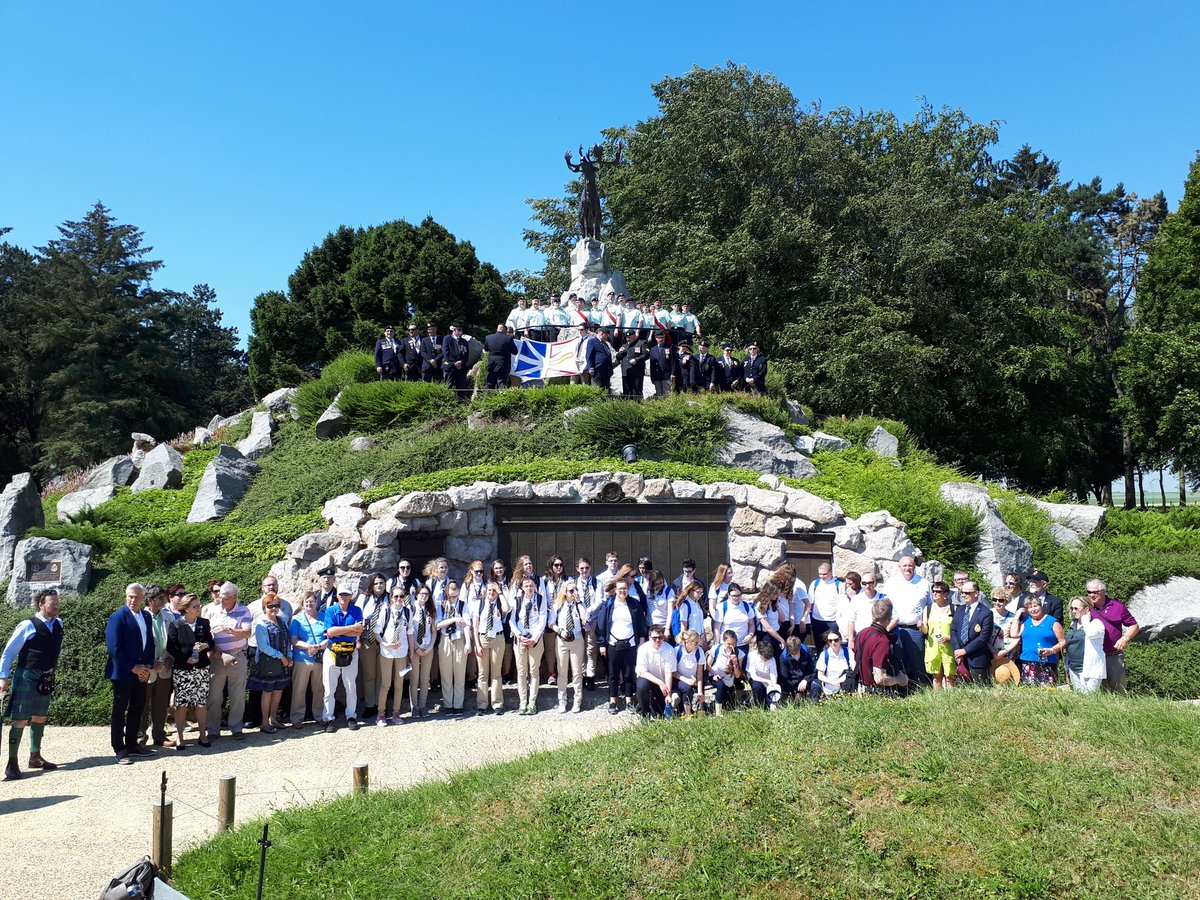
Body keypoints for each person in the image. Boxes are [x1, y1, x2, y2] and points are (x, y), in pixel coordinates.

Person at [1, 589, 63, 779]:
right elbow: (9, 653)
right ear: (41, 605)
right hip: (26, 675)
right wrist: (3, 677)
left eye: (57, 603)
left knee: (40, 717)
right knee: (20, 719)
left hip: (46, 676)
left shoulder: (59, 624)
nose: (56, 607)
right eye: (52, 604)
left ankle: (35, 757)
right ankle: (12, 763)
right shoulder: (28, 625)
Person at [106, 583, 156, 765]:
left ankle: (133, 743)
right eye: (130, 596)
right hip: (122, 672)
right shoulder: (118, 617)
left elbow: (150, 642)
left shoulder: (146, 616)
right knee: (120, 710)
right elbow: (114, 648)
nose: (133, 600)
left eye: (136, 597)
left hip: (141, 671)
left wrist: (147, 666)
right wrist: (132, 667)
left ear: (143, 598)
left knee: (138, 707)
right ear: (126, 596)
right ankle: (119, 748)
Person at [204, 581, 252, 742]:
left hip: (237, 657)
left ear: (234, 597)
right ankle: (212, 729)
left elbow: (247, 633)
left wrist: (228, 629)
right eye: (220, 597)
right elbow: (205, 635)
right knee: (214, 695)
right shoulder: (212, 611)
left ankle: (236, 728)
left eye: (225, 598)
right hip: (217, 658)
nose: (221, 600)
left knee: (237, 695)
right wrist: (215, 652)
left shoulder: (244, 610)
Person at [166, 592, 213, 749]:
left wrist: (206, 645)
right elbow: (171, 647)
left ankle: (202, 735)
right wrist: (184, 658)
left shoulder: (204, 623)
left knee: (201, 703)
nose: (199, 608)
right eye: (195, 606)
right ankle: (180, 737)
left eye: (199, 605)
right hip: (183, 670)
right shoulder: (176, 625)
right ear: (186, 608)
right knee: (182, 704)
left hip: (201, 669)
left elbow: (211, 642)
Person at [595, 579, 649, 715]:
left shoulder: (634, 604)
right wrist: (602, 644)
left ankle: (629, 701)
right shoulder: (609, 604)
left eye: (625, 588)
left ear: (628, 589)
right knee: (613, 674)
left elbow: (641, 625)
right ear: (615, 590)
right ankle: (613, 701)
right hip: (613, 644)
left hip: (631, 644)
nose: (622, 591)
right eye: (619, 589)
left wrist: (641, 642)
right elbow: (601, 625)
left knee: (629, 673)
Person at [882, 556, 931, 687]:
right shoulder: (891, 583)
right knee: (898, 659)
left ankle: (920, 688)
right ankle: (901, 689)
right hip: (895, 628)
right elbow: (885, 605)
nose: (907, 568)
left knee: (917, 660)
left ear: (914, 567)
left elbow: (929, 605)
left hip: (915, 628)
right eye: (904, 566)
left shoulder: (924, 583)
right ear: (899, 567)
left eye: (910, 566)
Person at [138, 584, 178, 748]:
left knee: (161, 703)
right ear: (150, 600)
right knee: (142, 703)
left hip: (165, 665)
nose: (165, 601)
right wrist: (149, 662)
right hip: (147, 666)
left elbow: (174, 640)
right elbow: (137, 643)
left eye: (164, 597)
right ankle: (139, 736)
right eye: (161, 598)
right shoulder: (141, 616)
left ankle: (159, 735)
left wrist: (170, 659)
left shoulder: (168, 616)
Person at [322, 585, 364, 732]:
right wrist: (350, 628)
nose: (343, 597)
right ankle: (328, 718)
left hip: (350, 652)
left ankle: (351, 716)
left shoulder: (357, 610)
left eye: (346, 594)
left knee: (351, 687)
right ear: (337, 595)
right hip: (332, 652)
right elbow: (330, 632)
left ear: (350, 596)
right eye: (341, 594)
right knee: (329, 688)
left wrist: (339, 631)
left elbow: (358, 632)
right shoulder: (330, 610)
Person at [248, 593, 292, 733]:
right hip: (269, 663)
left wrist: (289, 655)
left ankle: (273, 718)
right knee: (267, 692)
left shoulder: (282, 621)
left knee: (278, 690)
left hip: (283, 662)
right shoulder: (261, 624)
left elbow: (287, 641)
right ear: (264, 608)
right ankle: (264, 722)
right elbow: (263, 646)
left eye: (276, 605)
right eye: (270, 606)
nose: (274, 608)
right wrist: (281, 656)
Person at [1087, 579, 1139, 693]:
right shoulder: (1086, 608)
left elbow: (1134, 626)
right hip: (1095, 657)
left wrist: (1125, 638)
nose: (1091, 595)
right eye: (1089, 592)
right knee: (1099, 692)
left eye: (1095, 592)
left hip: (1113, 655)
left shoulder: (1117, 606)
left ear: (1104, 591)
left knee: (1119, 690)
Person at [288, 591, 328, 728]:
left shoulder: (323, 617)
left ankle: (319, 715)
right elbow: (293, 640)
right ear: (303, 604)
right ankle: (297, 718)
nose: (310, 604)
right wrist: (309, 647)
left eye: (312, 601)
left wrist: (319, 646)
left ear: (316, 603)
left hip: (319, 658)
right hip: (302, 659)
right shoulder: (297, 619)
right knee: (299, 689)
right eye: (307, 602)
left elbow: (329, 636)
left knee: (319, 690)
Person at [855, 598, 911, 694]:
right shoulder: (882, 641)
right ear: (889, 619)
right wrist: (899, 680)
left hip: (860, 688)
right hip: (876, 694)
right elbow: (879, 679)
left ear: (873, 616)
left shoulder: (861, 633)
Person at [510, 575, 547, 715]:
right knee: (521, 671)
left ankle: (532, 702)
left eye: (531, 586)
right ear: (522, 588)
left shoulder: (540, 600)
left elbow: (542, 620)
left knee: (534, 671)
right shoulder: (517, 601)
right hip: (520, 639)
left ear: (535, 587)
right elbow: (512, 621)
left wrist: (535, 638)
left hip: (535, 640)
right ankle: (522, 701)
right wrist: (518, 635)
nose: (529, 588)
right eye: (526, 586)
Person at [472, 580, 509, 715]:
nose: (492, 593)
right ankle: (481, 704)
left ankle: (497, 704)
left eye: (494, 590)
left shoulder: (499, 602)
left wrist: (500, 593)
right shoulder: (480, 604)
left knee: (496, 673)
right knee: (482, 673)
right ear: (485, 591)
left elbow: (506, 609)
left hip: (498, 638)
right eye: (490, 590)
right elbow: (475, 626)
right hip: (483, 638)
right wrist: (477, 644)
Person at [375, 587, 412, 724]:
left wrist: (411, 653)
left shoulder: (407, 612)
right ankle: (381, 713)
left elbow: (410, 633)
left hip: (402, 652)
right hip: (387, 652)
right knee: (385, 684)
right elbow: (377, 632)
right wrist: (385, 644)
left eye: (401, 596)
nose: (398, 599)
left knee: (399, 684)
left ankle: (396, 712)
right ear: (391, 597)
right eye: (396, 596)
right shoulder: (386, 612)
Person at [549, 583, 587, 713]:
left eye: (576, 589)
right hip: (562, 640)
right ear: (565, 592)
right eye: (571, 590)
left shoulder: (578, 604)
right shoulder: (558, 605)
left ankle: (577, 699)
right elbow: (551, 622)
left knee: (577, 672)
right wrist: (559, 631)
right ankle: (562, 699)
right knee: (562, 671)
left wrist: (579, 601)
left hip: (576, 639)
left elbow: (585, 618)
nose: (574, 592)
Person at [355, 572, 388, 720]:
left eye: (381, 583)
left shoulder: (390, 598)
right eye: (376, 583)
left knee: (382, 675)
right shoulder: (364, 598)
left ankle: (381, 705)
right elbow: (357, 618)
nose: (379, 586)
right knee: (369, 674)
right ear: (372, 585)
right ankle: (370, 704)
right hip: (367, 641)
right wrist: (357, 639)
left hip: (384, 642)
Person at [1013, 594, 1065, 686]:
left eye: (1035, 606)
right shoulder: (1025, 621)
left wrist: (1052, 650)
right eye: (1030, 607)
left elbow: (1063, 641)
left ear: (1041, 606)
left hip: (1047, 663)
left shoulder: (1052, 622)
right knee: (1030, 694)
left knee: (1047, 693)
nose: (1033, 609)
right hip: (1028, 663)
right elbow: (1014, 634)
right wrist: (1017, 616)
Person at [435, 580, 469, 715]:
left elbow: (466, 623)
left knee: (460, 673)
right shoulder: (442, 606)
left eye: (455, 592)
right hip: (445, 639)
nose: (453, 596)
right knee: (446, 674)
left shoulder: (463, 605)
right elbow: (437, 625)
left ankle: (458, 705)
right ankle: (448, 704)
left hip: (459, 638)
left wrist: (468, 643)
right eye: (451, 592)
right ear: (447, 592)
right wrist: (454, 619)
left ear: (459, 591)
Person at [950, 580, 993, 683]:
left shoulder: (986, 613)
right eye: (962, 592)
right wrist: (957, 650)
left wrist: (965, 650)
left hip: (977, 659)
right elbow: (953, 630)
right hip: (960, 659)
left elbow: (983, 637)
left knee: (980, 691)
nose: (964, 595)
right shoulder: (960, 610)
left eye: (967, 593)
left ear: (976, 593)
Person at [1064, 595, 1107, 694]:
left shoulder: (1096, 623)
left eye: (1076, 608)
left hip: (1090, 669)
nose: (1073, 611)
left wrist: (1085, 619)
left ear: (1087, 608)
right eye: (1072, 608)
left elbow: (1091, 633)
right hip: (1074, 667)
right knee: (1079, 699)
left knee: (1088, 699)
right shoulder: (1073, 624)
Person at [634, 625, 676, 718]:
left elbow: (669, 673)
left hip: (662, 682)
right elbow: (642, 672)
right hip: (647, 679)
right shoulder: (643, 649)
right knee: (641, 687)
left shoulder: (669, 649)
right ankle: (644, 714)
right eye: (655, 638)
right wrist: (660, 682)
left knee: (659, 713)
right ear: (649, 638)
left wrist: (668, 694)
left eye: (660, 637)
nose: (658, 640)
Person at [408, 586, 437, 718]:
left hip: (427, 647)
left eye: (427, 594)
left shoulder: (430, 610)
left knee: (425, 678)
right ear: (416, 594)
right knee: (414, 678)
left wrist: (430, 646)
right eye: (422, 594)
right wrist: (415, 648)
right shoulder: (410, 609)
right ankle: (414, 706)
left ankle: (423, 705)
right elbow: (409, 631)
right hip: (415, 648)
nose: (424, 596)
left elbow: (434, 630)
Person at [921, 580, 956, 690]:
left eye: (938, 591)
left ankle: (951, 700)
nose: (935, 593)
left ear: (945, 593)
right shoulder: (928, 608)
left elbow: (958, 630)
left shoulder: (953, 608)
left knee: (950, 676)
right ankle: (937, 700)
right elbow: (925, 631)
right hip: (933, 646)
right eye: (933, 591)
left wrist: (949, 637)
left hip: (948, 645)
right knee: (936, 676)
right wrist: (921, 626)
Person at [707, 629, 746, 716]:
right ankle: (718, 713)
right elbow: (707, 665)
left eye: (733, 643)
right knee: (720, 685)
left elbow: (737, 675)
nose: (731, 646)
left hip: (729, 680)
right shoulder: (716, 648)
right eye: (728, 644)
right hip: (714, 675)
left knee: (727, 702)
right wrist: (714, 674)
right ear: (723, 641)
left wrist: (736, 663)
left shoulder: (740, 654)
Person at [806, 563, 844, 650]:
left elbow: (842, 605)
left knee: (833, 646)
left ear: (831, 572)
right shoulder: (815, 583)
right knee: (819, 646)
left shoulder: (838, 585)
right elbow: (810, 603)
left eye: (824, 574)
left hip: (832, 622)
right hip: (817, 621)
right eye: (820, 574)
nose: (822, 576)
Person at [988, 588, 1021, 685]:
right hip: (990, 651)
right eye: (994, 600)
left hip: (1007, 652)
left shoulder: (1013, 617)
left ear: (1007, 601)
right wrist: (993, 651)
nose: (997, 603)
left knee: (1006, 677)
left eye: (1001, 600)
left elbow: (1016, 637)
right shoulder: (987, 614)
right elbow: (982, 635)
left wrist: (1004, 651)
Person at [845, 572, 883, 652]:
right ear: (861, 584)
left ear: (875, 583)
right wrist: (851, 640)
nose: (867, 586)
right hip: (861, 638)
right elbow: (851, 621)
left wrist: (885, 632)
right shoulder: (856, 600)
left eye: (870, 583)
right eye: (864, 583)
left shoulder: (883, 598)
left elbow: (894, 618)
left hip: (878, 639)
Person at [713, 583, 757, 649]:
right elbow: (717, 628)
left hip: (743, 644)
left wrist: (750, 635)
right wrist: (716, 645)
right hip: (727, 645)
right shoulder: (722, 607)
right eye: (734, 595)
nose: (736, 598)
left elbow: (751, 624)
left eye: (738, 595)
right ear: (728, 595)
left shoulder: (746, 606)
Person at [673, 630, 705, 715]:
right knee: (687, 688)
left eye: (698, 642)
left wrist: (700, 692)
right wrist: (686, 680)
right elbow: (672, 672)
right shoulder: (677, 651)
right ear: (687, 641)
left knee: (698, 689)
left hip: (694, 679)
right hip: (678, 678)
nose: (697, 645)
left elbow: (700, 674)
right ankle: (687, 712)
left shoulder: (699, 651)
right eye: (695, 643)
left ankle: (696, 708)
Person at [778, 635, 818, 702]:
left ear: (800, 648)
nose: (793, 655)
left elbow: (814, 670)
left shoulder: (808, 652)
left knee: (816, 684)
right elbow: (785, 676)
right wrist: (795, 689)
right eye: (791, 653)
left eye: (796, 653)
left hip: (807, 680)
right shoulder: (783, 656)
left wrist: (806, 680)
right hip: (793, 684)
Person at [815, 633, 856, 697]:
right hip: (830, 691)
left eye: (836, 640)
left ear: (840, 640)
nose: (833, 643)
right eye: (830, 641)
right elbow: (820, 675)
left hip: (846, 689)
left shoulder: (848, 651)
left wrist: (844, 678)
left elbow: (854, 668)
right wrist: (833, 683)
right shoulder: (824, 654)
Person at [747, 639, 782, 709]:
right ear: (759, 653)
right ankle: (758, 707)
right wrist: (767, 681)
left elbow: (773, 674)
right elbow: (753, 676)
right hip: (756, 679)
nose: (766, 659)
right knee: (757, 687)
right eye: (765, 658)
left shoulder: (772, 659)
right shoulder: (751, 656)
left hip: (769, 681)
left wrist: (773, 685)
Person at [671, 581, 707, 647]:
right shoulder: (685, 605)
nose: (700, 595)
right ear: (690, 591)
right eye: (698, 592)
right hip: (690, 640)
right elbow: (683, 626)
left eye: (701, 593)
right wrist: (684, 643)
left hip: (699, 639)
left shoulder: (698, 603)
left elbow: (700, 624)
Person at [483, 323, 517, 389]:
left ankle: (487, 398)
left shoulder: (488, 338)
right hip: (503, 364)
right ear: (504, 330)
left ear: (497, 329)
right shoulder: (508, 339)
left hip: (491, 364)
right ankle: (501, 398)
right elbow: (515, 352)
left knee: (489, 383)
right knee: (502, 384)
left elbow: (486, 349)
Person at [442, 324, 471, 398]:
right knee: (448, 386)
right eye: (459, 329)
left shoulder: (464, 341)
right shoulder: (447, 338)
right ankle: (448, 402)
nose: (460, 331)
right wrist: (454, 362)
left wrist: (461, 362)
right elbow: (446, 352)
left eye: (461, 330)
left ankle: (461, 403)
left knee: (461, 387)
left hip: (461, 368)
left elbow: (466, 354)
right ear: (454, 330)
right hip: (450, 366)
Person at [648, 331, 673, 397]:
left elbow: (673, 362)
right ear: (655, 338)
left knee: (667, 394)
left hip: (666, 375)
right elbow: (652, 364)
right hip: (656, 375)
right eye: (658, 338)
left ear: (664, 337)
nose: (660, 339)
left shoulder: (669, 347)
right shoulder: (653, 349)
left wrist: (673, 373)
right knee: (659, 394)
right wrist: (652, 377)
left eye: (661, 337)